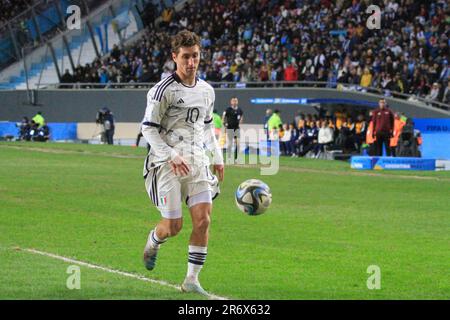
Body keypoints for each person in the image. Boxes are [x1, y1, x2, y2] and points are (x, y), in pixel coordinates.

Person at [140, 30, 224, 296]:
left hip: (197, 162)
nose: (191, 62)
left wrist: (217, 157)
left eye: (195, 56)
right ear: (174, 57)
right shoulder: (162, 90)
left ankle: (191, 279)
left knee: (203, 221)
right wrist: (171, 155)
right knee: (173, 228)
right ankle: (154, 241)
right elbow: (148, 129)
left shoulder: (207, 91)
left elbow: (208, 126)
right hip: (166, 165)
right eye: (186, 57)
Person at [222, 97, 243, 161]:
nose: (235, 102)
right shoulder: (228, 109)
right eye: (233, 101)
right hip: (230, 128)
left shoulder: (240, 110)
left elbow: (241, 117)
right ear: (231, 102)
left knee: (238, 143)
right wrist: (225, 124)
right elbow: (223, 117)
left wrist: (240, 121)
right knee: (230, 143)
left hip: (237, 128)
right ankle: (229, 157)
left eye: (236, 101)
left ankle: (236, 158)